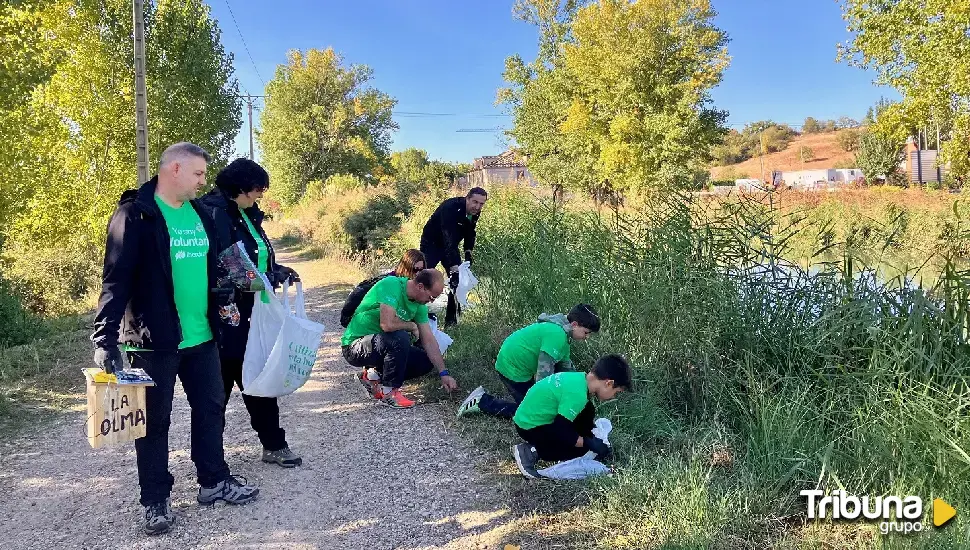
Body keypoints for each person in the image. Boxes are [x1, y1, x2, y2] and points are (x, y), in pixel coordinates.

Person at [90, 143, 258, 536]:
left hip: (202, 337)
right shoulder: (136, 214)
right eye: (199, 174)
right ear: (175, 169)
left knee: (211, 410)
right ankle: (155, 500)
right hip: (154, 341)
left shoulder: (201, 213)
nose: (204, 181)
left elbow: (217, 264)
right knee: (154, 422)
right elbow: (115, 279)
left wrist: (233, 294)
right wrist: (105, 337)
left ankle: (214, 480)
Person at [199, 158, 302, 469]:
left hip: (252, 313)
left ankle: (273, 445)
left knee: (258, 378)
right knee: (216, 392)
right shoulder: (214, 213)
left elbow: (256, 257)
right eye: (258, 188)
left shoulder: (247, 215)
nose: (261, 194)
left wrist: (276, 270)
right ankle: (212, 465)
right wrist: (267, 279)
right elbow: (223, 265)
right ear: (240, 186)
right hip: (223, 317)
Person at [456, 304, 601, 419]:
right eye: (586, 332)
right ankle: (482, 402)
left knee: (543, 406)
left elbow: (565, 367)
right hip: (512, 368)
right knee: (533, 411)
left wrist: (583, 388)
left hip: (513, 363)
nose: (586, 337)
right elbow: (544, 374)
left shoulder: (562, 333)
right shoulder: (557, 335)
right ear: (575, 324)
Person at [341, 268, 459, 408]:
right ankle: (389, 392)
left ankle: (373, 375)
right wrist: (411, 326)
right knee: (399, 337)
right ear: (420, 287)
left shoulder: (419, 305)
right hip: (356, 345)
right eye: (431, 297)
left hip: (380, 344)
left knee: (425, 361)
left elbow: (429, 340)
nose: (430, 301)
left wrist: (443, 373)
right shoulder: (391, 285)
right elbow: (387, 324)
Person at [511, 355, 632, 479]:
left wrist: (589, 437)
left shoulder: (578, 378)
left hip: (528, 417)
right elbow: (561, 428)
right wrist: (587, 443)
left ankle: (578, 441)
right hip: (529, 426)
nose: (613, 397)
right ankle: (531, 451)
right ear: (609, 383)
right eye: (616, 392)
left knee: (587, 410)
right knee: (576, 448)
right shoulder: (578, 395)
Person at [420, 187, 487, 326]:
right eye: (475, 202)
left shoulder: (474, 212)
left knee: (458, 280)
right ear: (467, 198)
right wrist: (453, 265)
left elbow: (470, 232)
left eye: (481, 204)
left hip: (451, 244)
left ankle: (451, 320)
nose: (477, 207)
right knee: (422, 277)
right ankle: (416, 313)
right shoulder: (451, 207)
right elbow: (447, 236)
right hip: (432, 243)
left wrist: (468, 252)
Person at [339, 249, 426, 328]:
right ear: (406, 268)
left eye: (421, 270)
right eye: (415, 270)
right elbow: (387, 322)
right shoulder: (390, 283)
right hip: (365, 324)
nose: (418, 274)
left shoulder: (411, 287)